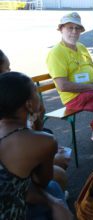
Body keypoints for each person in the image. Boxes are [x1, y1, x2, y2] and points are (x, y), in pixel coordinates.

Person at [0, 72, 72, 219]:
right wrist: (53, 157)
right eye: (35, 91)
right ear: (29, 104)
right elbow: (42, 181)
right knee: (54, 189)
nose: (38, 95)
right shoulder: (44, 141)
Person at [0, 50, 69, 192]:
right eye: (7, 69)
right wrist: (49, 155)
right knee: (57, 181)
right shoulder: (47, 141)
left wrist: (38, 126)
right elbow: (42, 180)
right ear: (29, 104)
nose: (10, 71)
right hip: (14, 206)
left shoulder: (6, 118)